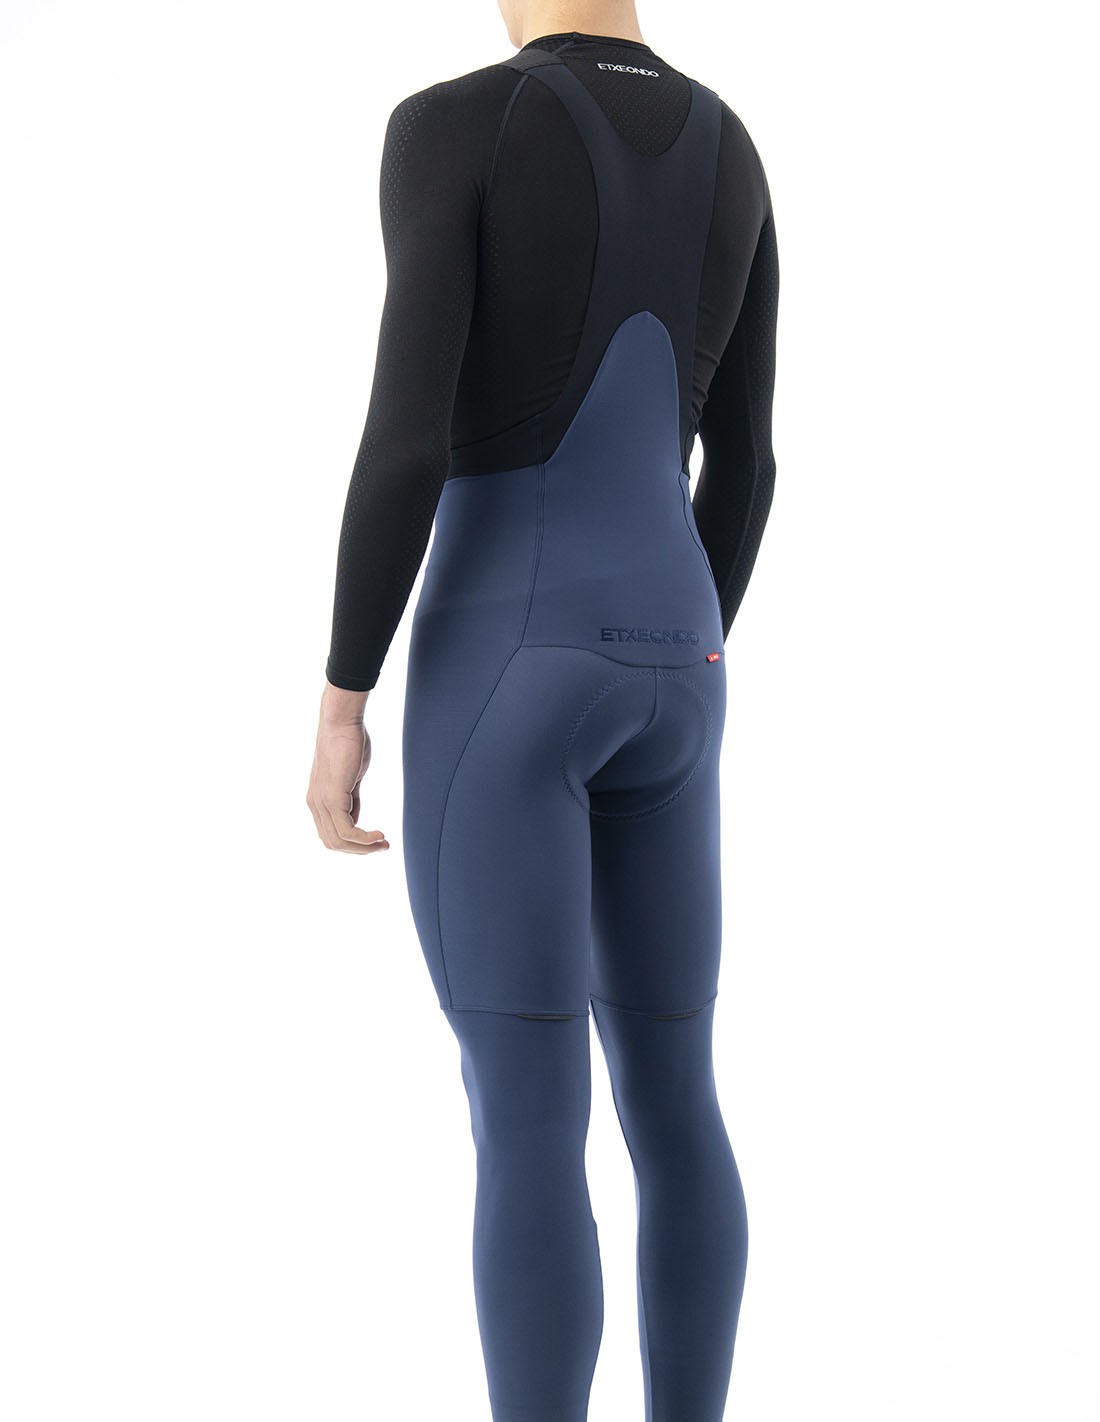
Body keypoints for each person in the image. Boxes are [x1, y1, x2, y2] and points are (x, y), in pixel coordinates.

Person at [306, 3, 779, 1417]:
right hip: (682, 663)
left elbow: (405, 442)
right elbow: (747, 464)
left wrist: (343, 695)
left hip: (508, 661)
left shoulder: (455, 123)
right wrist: (673, 645)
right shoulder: (732, 146)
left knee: (527, 1121)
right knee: (677, 1100)